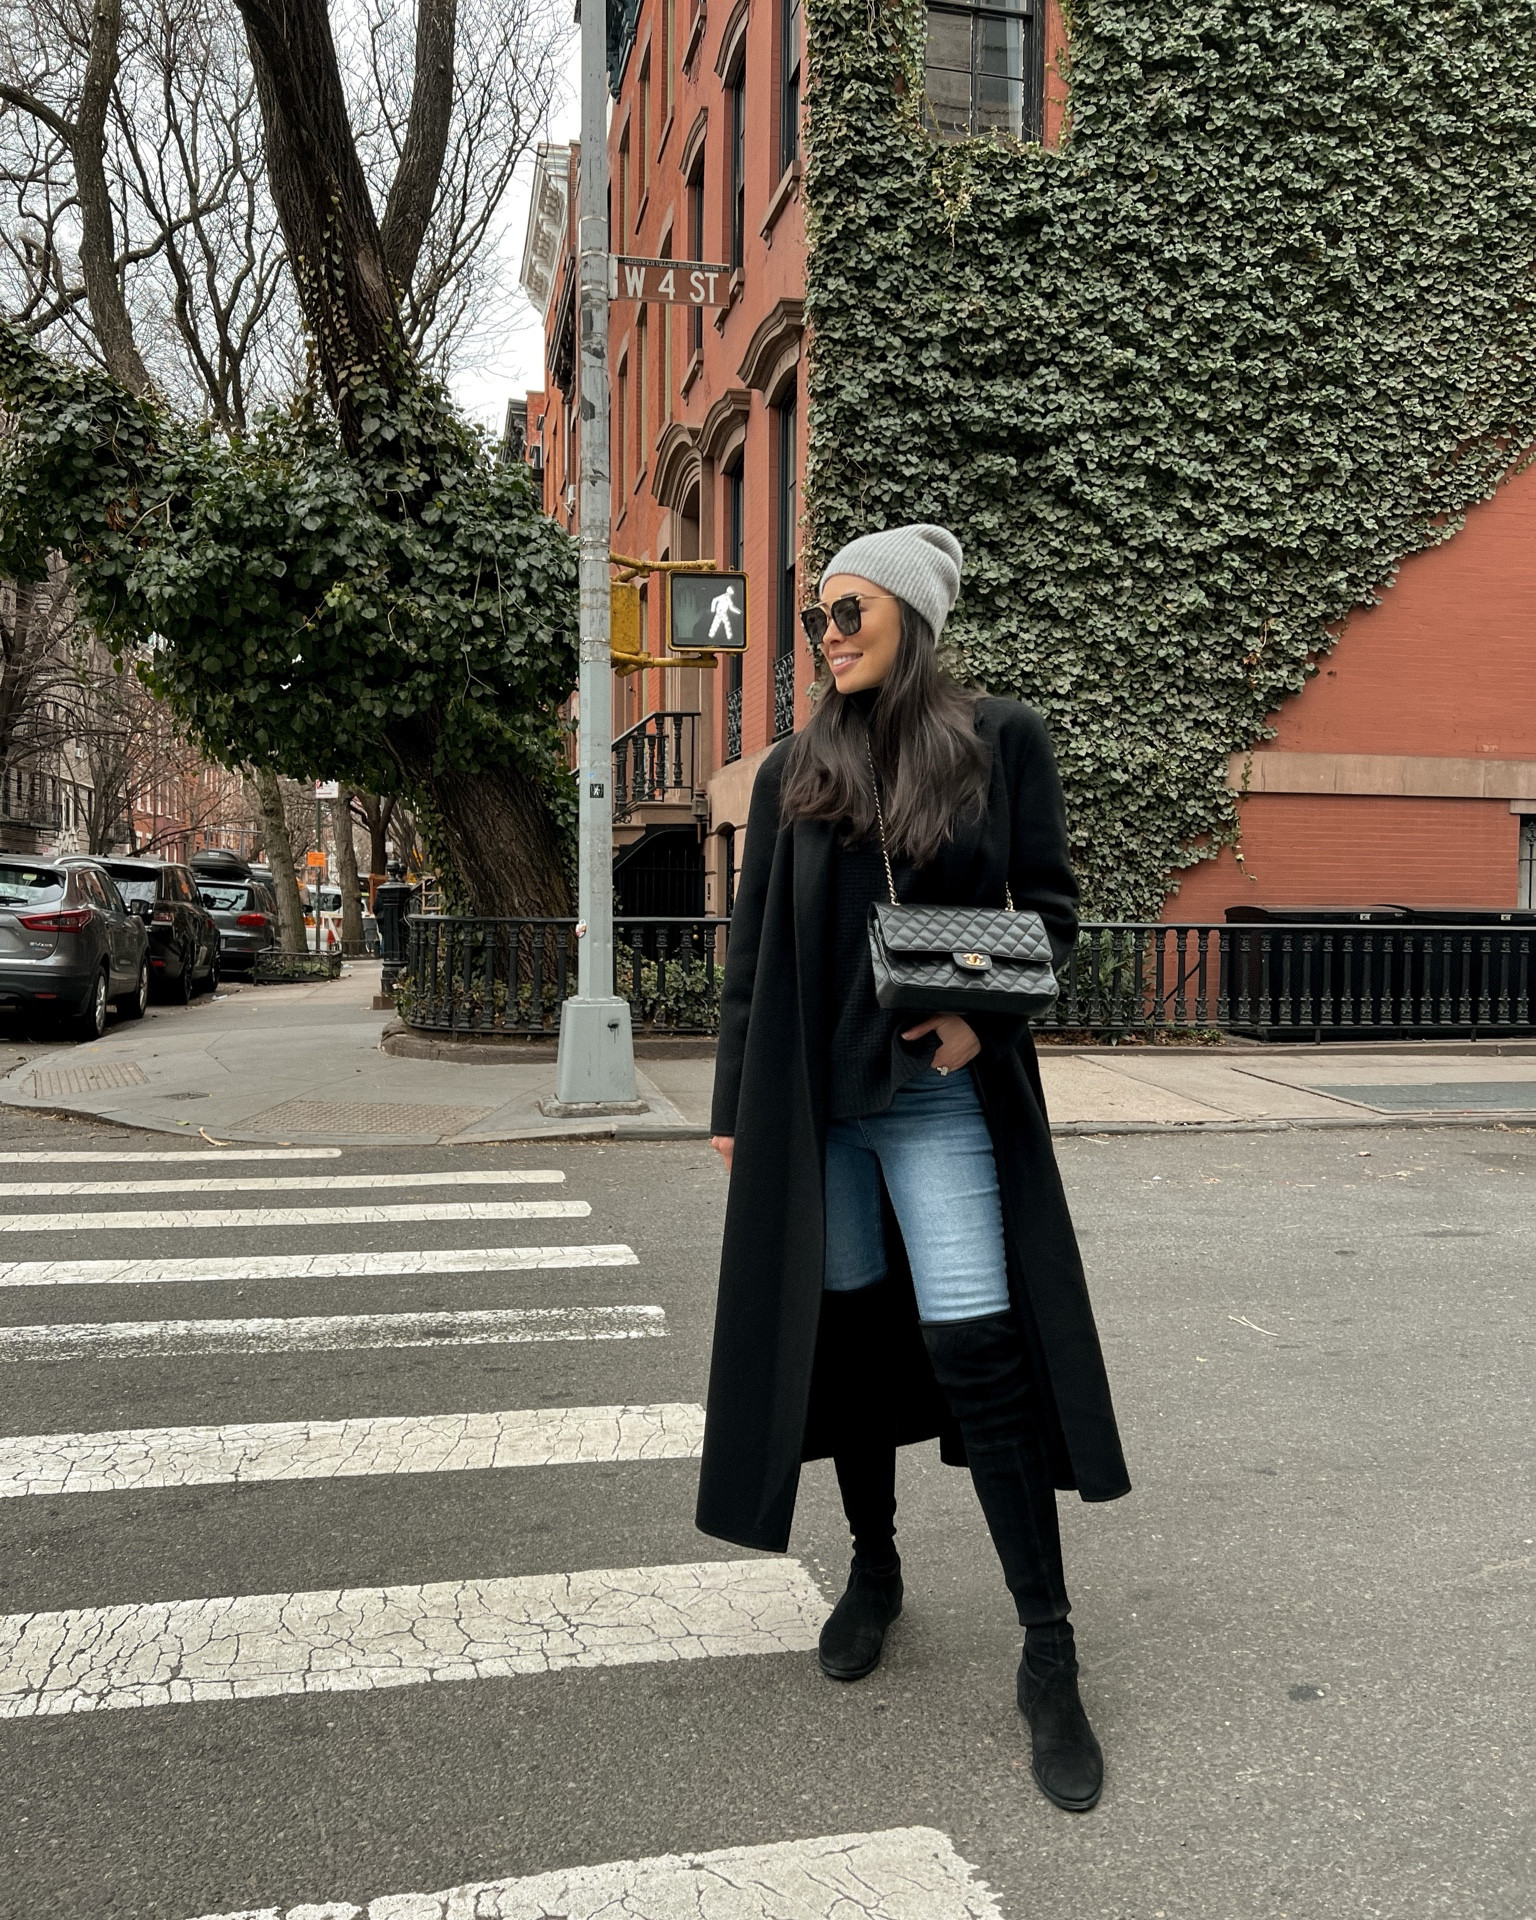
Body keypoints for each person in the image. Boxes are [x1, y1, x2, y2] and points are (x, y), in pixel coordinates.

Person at [697, 523, 1130, 1814]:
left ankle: (1047, 1649)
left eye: (851, 611)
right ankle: (875, 1568)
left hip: (935, 1102)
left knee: (978, 1352)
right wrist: (734, 1105)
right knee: (848, 1345)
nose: (827, 634)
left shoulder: (999, 740)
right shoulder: (796, 767)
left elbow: (1049, 911)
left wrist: (980, 1021)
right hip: (814, 1113)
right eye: (817, 616)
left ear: (913, 617)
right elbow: (751, 950)